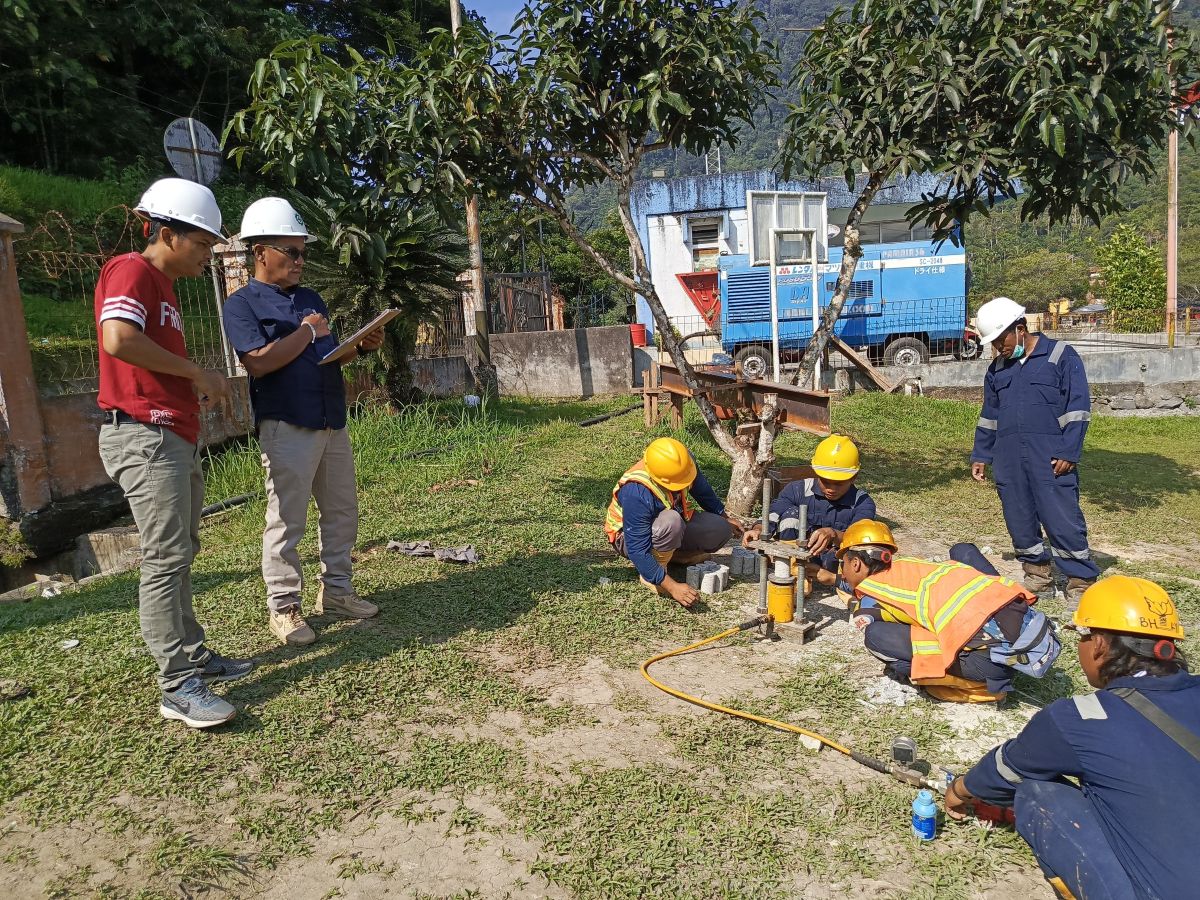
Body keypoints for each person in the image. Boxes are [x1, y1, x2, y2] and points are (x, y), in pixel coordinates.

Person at [96, 178, 251, 729]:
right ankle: (176, 686)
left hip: (169, 436)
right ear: (167, 233)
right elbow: (117, 338)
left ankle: (194, 656)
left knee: (181, 550)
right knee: (164, 559)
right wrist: (198, 373)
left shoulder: (163, 287)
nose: (209, 256)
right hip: (143, 435)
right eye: (203, 244)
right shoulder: (131, 271)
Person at [945, 575, 1200, 900]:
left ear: (1100, 644)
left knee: (1037, 793)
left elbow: (1006, 769)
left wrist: (959, 789)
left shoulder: (1083, 717)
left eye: (1082, 635)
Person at [222, 198, 385, 647]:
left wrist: (363, 345)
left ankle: (336, 591)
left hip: (331, 418)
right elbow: (257, 362)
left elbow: (327, 356)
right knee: (287, 520)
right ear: (260, 252)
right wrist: (307, 332)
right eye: (291, 252)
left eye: (303, 253)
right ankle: (284, 608)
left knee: (341, 513)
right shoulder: (241, 305)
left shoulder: (310, 299)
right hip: (287, 425)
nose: (299, 261)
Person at [837, 520, 1059, 702]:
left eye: (843, 566)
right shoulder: (912, 567)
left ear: (855, 563)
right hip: (1021, 621)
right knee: (962, 550)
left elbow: (863, 615)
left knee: (876, 637)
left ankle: (980, 688)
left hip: (992, 663)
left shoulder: (875, 591)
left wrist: (840, 590)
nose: (844, 573)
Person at [971, 296, 1099, 608]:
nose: (997, 348)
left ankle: (1080, 581)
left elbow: (1078, 408)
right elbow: (990, 414)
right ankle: (1038, 574)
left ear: (1020, 329)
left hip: (1051, 456)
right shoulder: (997, 370)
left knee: (1061, 517)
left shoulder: (1060, 356)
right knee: (1019, 516)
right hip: (1009, 458)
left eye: (1000, 340)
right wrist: (981, 454)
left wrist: (1069, 451)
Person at [604, 437, 744, 609]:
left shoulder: (683, 463)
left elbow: (702, 490)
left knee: (720, 529)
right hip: (627, 538)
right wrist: (672, 587)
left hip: (670, 526)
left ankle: (675, 557)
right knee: (671, 522)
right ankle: (653, 575)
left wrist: (724, 516)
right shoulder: (636, 491)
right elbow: (637, 549)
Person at [740, 434, 875, 589]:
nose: (831, 489)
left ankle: (832, 578)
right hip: (795, 556)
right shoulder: (798, 490)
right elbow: (774, 512)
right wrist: (758, 529)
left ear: (854, 477)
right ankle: (793, 572)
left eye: (839, 484)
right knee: (790, 515)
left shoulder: (862, 502)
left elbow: (861, 541)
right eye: (825, 481)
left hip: (833, 564)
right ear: (816, 473)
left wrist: (834, 535)